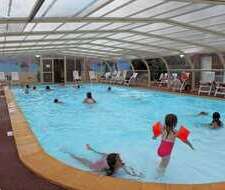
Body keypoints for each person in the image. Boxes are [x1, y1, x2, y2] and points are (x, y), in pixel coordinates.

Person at [63, 144, 143, 177]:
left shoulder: (120, 164)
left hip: (106, 159)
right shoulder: (107, 171)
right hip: (94, 165)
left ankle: (91, 149)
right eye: (119, 159)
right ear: (114, 164)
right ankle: (69, 153)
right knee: (81, 159)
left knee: (104, 154)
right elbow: (93, 174)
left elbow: (129, 171)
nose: (121, 160)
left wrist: (136, 175)